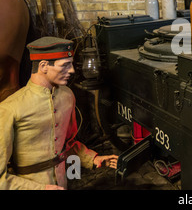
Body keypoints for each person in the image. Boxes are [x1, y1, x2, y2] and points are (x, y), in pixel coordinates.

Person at [0, 36, 118, 190]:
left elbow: (67, 144)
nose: (72, 71)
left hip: (63, 183)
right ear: (43, 66)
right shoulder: (10, 108)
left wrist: (93, 159)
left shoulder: (67, 96)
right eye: (65, 66)